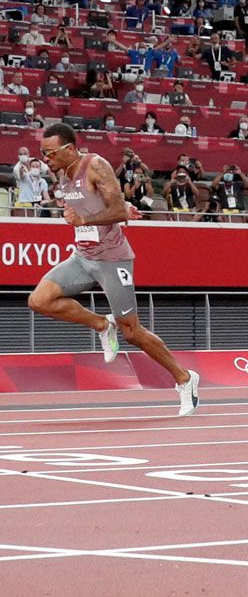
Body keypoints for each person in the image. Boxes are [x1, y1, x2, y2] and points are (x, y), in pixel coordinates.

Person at [26, 123, 199, 415]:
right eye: (42, 153)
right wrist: (83, 215)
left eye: (49, 153)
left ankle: (185, 378)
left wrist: (84, 221)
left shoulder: (94, 165)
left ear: (69, 149)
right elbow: (105, 206)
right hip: (82, 257)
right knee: (39, 300)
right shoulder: (62, 173)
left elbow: (117, 211)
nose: (45, 159)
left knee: (132, 331)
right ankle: (102, 325)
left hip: (112, 259)